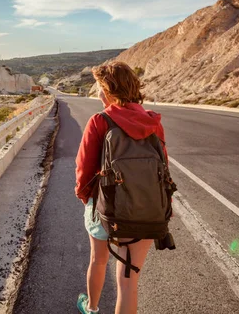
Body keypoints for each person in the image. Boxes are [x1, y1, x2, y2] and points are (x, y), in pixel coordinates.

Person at [74, 61, 168, 314]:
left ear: (108, 90)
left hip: (106, 205)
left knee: (98, 260)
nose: (97, 93)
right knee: (128, 282)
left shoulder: (100, 121)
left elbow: (83, 168)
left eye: (98, 87)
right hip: (146, 207)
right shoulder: (153, 122)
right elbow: (163, 166)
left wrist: (86, 198)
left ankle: (92, 308)